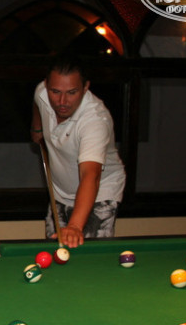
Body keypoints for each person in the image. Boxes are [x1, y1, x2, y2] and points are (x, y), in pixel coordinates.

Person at [31, 53, 126, 248]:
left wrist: (74, 226)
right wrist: (37, 127)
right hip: (60, 191)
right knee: (56, 252)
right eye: (55, 91)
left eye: (72, 92)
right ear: (46, 85)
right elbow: (37, 102)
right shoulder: (42, 92)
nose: (62, 101)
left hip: (99, 193)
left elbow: (90, 175)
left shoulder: (95, 121)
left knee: (87, 254)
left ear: (85, 87)